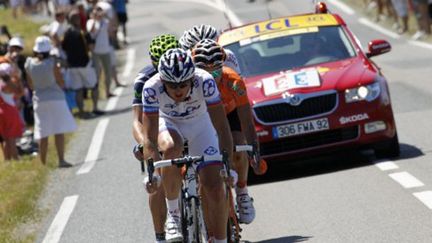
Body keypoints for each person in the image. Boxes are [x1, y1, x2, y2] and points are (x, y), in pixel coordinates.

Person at [141, 48, 233, 243]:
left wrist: (228, 166)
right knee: (171, 148)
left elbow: (222, 127)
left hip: (200, 125)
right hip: (168, 124)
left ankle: (220, 240)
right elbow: (148, 139)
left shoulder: (205, 81)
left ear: (192, 78)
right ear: (162, 80)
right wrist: (153, 174)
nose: (178, 90)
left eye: (183, 84)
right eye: (172, 85)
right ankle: (173, 215)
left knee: (215, 186)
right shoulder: (151, 87)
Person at [191, 39, 259, 224]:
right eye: (206, 70)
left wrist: (254, 150)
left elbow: (246, 121)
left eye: (216, 69)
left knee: (238, 145)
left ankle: (243, 193)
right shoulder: (190, 83)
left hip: (229, 114)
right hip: (203, 118)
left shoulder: (233, 81)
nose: (212, 75)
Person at [132, 34, 179, 243]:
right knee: (157, 179)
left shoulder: (187, 70)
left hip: (182, 122)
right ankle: (160, 234)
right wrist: (145, 144)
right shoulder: (144, 80)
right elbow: (137, 120)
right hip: (156, 126)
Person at [25, 36, 77, 167]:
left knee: (43, 132)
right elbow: (60, 81)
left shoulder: (29, 63)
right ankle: (61, 160)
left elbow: (30, 85)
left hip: (39, 99)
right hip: (56, 98)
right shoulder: (52, 63)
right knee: (58, 130)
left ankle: (43, 162)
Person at [62, 10, 104, 117]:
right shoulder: (83, 33)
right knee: (94, 86)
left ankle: (82, 111)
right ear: (77, 20)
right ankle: (95, 108)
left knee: (78, 89)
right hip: (85, 64)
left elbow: (63, 48)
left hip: (72, 66)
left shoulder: (66, 34)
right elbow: (91, 47)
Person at [87, 4, 115, 98]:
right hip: (95, 51)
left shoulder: (105, 21)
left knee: (108, 72)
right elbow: (91, 31)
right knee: (97, 73)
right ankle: (97, 93)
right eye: (96, 11)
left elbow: (111, 32)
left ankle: (107, 91)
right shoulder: (90, 22)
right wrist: (95, 19)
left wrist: (105, 16)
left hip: (105, 50)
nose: (98, 13)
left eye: (100, 11)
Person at [0, 62, 24, 161]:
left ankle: (7, 159)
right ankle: (15, 158)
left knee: (5, 138)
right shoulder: (8, 83)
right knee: (12, 138)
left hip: (1, 110)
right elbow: (20, 93)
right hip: (9, 110)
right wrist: (18, 79)